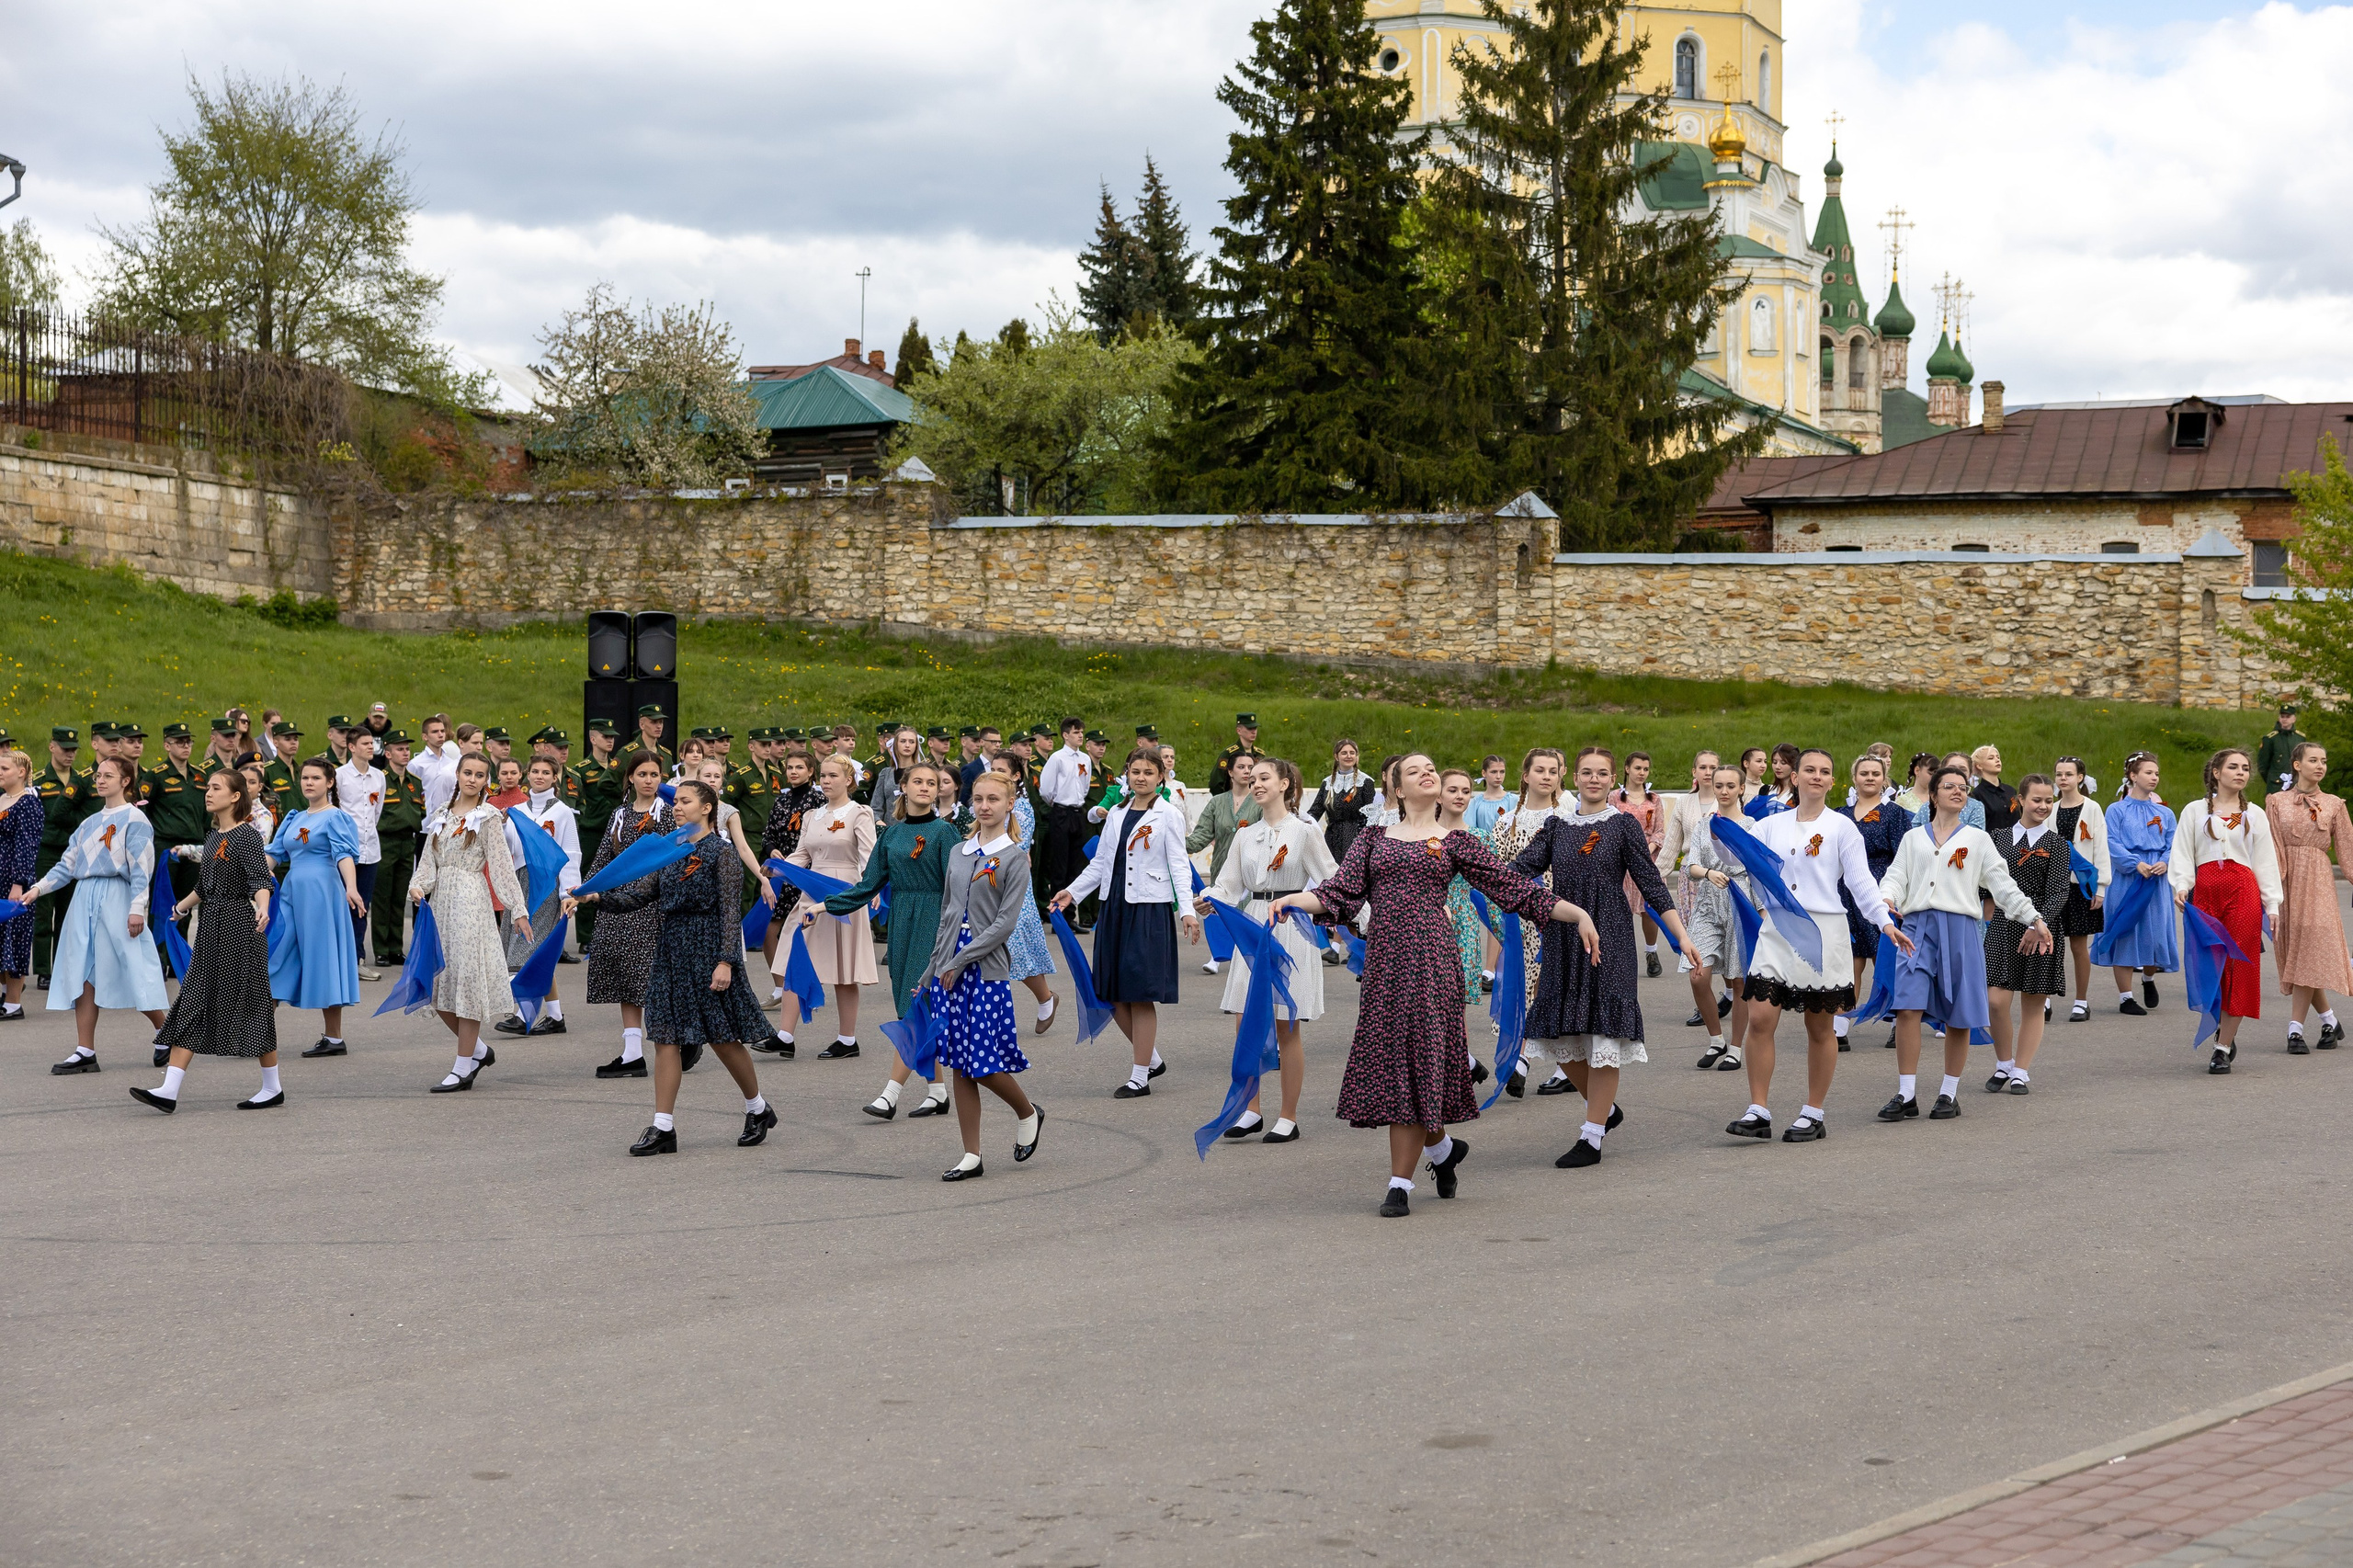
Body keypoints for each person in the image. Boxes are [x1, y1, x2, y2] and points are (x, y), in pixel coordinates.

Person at [1271, 754, 1599, 1218]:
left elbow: (1514, 888)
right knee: (1395, 1069)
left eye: (1432, 769)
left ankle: (1399, 1183)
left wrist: (1577, 912)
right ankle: (1443, 1151)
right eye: (1415, 771)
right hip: (1385, 967)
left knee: (1419, 1063)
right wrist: (1292, 901)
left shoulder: (1454, 841)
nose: (1429, 773)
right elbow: (1337, 892)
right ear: (1399, 789)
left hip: (1433, 965)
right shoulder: (1373, 838)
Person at [567, 779, 778, 1155]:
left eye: (685, 801)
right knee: (665, 1036)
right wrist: (596, 896)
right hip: (670, 949)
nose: (676, 806)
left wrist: (726, 961)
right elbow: (640, 894)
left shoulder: (721, 853)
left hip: (709, 948)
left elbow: (731, 912)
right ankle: (663, 1127)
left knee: (722, 1039)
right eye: (676, 801)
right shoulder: (671, 848)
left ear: (708, 808)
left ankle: (757, 1108)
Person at [1513, 747, 1690, 1166]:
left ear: (1614, 779)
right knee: (1559, 1036)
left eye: (1603, 774)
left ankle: (1591, 1137)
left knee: (1604, 1037)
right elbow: (1517, 871)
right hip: (1563, 937)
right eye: (1586, 772)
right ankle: (1606, 1110)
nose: (1594, 779)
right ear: (1571, 777)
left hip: (1610, 937)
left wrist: (1681, 936)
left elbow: (1651, 882)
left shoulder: (1623, 824)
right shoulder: (1556, 826)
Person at [1726, 748, 1907, 1144]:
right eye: (1809, 769)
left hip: (1825, 932)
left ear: (1831, 781)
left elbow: (1861, 883)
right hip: (1778, 929)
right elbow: (1734, 855)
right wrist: (1721, 825)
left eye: (1825, 771)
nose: (1816, 776)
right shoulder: (1771, 824)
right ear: (1795, 776)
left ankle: (1814, 1112)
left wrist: (1885, 922)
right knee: (1759, 1019)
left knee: (1819, 1026)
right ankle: (1758, 1109)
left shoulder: (1843, 829)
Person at [1874, 764, 2051, 1121]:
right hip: (1917, 929)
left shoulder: (1977, 839)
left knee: (1958, 1014)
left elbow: (2003, 886)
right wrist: (1886, 899)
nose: (1958, 791)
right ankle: (1906, 1093)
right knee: (1907, 1007)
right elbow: (1895, 877)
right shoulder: (1913, 838)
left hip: (1961, 930)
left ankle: (1948, 1093)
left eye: (1963, 787)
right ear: (1934, 794)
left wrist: (2034, 917)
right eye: (1949, 786)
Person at [913, 770, 1045, 1180]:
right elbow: (948, 915)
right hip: (950, 966)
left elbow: (1005, 923)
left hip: (984, 968)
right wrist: (932, 968)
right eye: (979, 799)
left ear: (1009, 805)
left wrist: (960, 960)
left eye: (993, 799)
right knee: (958, 1062)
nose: (985, 806)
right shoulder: (958, 851)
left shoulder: (1013, 856)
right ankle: (971, 1154)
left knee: (982, 1062)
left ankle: (1027, 1112)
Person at [1199, 757, 1336, 1143]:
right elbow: (1227, 885)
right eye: (1251, 777)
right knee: (1246, 1020)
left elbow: (1332, 881)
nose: (1255, 783)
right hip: (1253, 925)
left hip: (1290, 923)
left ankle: (1288, 1117)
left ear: (1285, 784)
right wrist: (1208, 899)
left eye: (1264, 778)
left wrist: (1363, 918)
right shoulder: (1245, 835)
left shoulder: (1306, 831)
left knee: (1285, 1024)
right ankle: (1251, 1109)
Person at [1051, 746, 1199, 1097]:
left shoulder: (1168, 815)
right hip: (1113, 906)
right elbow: (1101, 863)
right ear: (1127, 776)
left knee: (1140, 994)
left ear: (1161, 777)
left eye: (1149, 772)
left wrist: (1187, 910)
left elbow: (1179, 865)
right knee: (1110, 993)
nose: (1142, 778)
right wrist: (1072, 892)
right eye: (1136, 772)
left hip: (1148, 908)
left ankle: (1139, 1076)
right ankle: (1152, 1058)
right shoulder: (1115, 813)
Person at [133, 769, 280, 1112]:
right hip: (211, 927)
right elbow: (204, 885)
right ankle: (168, 1091)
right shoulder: (214, 836)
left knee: (253, 1004)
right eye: (208, 787)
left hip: (241, 929)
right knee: (194, 998)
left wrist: (262, 906)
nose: (208, 793)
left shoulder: (247, 836)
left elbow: (260, 879)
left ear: (234, 796)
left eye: (216, 788)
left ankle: (272, 1087)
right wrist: (180, 909)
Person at [830, 760, 962, 1119]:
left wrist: (954, 934)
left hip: (935, 921)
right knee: (912, 1006)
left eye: (931, 783)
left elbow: (958, 888)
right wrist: (825, 906)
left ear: (938, 791)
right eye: (917, 781)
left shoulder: (944, 833)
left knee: (915, 1007)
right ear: (903, 786)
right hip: (901, 922)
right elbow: (868, 884)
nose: (924, 787)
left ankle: (890, 1095)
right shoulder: (890, 834)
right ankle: (937, 1092)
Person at [35, 756, 171, 1074]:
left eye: (108, 775)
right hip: (84, 899)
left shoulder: (136, 820)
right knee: (82, 971)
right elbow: (67, 865)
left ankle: (166, 1033)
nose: (100, 780)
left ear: (126, 781)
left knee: (133, 965)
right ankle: (85, 1050)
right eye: (98, 775)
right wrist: (38, 889)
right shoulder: (88, 823)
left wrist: (137, 909)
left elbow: (141, 870)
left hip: (118, 897)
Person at [413, 752, 527, 1092]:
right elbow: (428, 862)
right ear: (458, 775)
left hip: (471, 900)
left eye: (479, 774)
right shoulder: (441, 815)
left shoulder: (489, 816)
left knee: (466, 979)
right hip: (441, 904)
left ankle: (463, 1066)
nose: (472, 779)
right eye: (467, 772)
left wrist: (516, 908)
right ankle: (477, 1051)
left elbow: (502, 865)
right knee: (438, 983)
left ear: (485, 781)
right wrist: (419, 887)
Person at [2171, 747, 2283, 1075]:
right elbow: (2182, 851)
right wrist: (2181, 885)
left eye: (2246, 768)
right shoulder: (2194, 810)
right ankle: (2223, 1026)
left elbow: (2265, 860)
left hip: (2243, 890)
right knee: (2212, 966)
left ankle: (2221, 1048)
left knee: (2241, 965)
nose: (2241, 772)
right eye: (2233, 767)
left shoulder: (2255, 814)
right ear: (2216, 772)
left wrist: (2272, 903)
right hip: (2205, 890)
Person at [779, 755, 880, 1060]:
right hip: (812, 890)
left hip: (844, 892)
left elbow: (869, 855)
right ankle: (784, 1035)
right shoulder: (812, 815)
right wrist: (777, 870)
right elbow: (801, 855)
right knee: (795, 955)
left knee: (843, 969)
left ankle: (847, 1040)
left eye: (833, 775)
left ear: (848, 780)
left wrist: (870, 888)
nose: (825, 780)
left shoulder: (859, 813)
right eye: (823, 775)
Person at [1982, 776, 2077, 1095]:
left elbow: (2059, 892)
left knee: (2034, 1002)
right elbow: (1985, 885)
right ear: (2020, 800)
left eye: (2049, 800)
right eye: (2037, 800)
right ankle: (2003, 1063)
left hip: (2042, 928)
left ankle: (2021, 1070)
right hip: (2003, 924)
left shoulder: (2058, 844)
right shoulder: (1996, 838)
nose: (2043, 806)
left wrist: (2038, 926)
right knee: (1996, 1001)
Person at [267, 756, 367, 1059]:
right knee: (276, 955)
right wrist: (253, 877)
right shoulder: (295, 817)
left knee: (324, 959)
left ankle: (334, 1038)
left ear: (330, 783)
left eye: (316, 778)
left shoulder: (335, 816)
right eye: (305, 778)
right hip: (292, 895)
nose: (309, 783)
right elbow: (274, 854)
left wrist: (351, 886)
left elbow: (344, 856)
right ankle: (258, 1033)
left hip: (323, 896)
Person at [582, 750, 672, 1078]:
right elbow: (604, 855)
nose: (649, 781)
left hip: (653, 903)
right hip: (618, 903)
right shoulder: (619, 814)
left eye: (655, 775)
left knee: (652, 977)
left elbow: (673, 857)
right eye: (643, 775)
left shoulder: (668, 813)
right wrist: (585, 891)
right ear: (631, 778)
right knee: (625, 976)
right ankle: (632, 1053)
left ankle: (679, 1038)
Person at [2266, 741, 2353, 1053]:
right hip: (2286, 884)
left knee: (2310, 951)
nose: (2320, 766)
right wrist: (2269, 889)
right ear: (2297, 764)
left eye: (2324, 761)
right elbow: (2272, 847)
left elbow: (2348, 850)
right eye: (2313, 760)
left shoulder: (2334, 804)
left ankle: (2295, 1030)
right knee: (2298, 955)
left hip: (2319, 883)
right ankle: (2329, 1020)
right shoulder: (2275, 802)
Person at [493, 754, 582, 1039]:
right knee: (538, 952)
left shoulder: (563, 812)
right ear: (526, 775)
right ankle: (555, 1016)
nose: (540, 776)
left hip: (546, 884)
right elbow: (509, 847)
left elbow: (570, 853)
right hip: (519, 883)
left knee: (528, 948)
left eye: (546, 772)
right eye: (535, 771)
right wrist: (505, 825)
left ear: (555, 777)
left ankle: (523, 1016)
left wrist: (569, 892)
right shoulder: (518, 809)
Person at [1680, 766, 1753, 1072]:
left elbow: (1758, 872)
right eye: (1719, 785)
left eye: (1730, 786)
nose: (1723, 791)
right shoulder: (1703, 825)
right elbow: (1689, 865)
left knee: (1739, 981)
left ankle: (1735, 1048)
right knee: (1698, 974)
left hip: (1741, 901)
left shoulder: (1751, 826)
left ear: (1740, 790)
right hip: (1708, 903)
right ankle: (1716, 1040)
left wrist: (1761, 913)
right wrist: (1709, 873)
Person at [2094, 751, 2177, 1017]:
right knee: (2125, 929)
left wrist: (2165, 861)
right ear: (2133, 776)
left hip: (2156, 878)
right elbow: (2112, 842)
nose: (2154, 777)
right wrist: (2133, 863)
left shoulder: (2164, 812)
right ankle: (2125, 997)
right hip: (2128, 877)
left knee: (2154, 933)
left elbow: (2173, 843)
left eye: (2156, 773)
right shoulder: (2116, 810)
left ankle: (2149, 978)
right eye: (2148, 772)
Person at [1837, 753, 1909, 1050]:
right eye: (1863, 773)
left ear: (1884, 779)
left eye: (1875, 773)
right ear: (1854, 778)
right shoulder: (1839, 815)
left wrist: (1899, 897)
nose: (1869, 777)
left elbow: (1904, 859)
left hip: (1881, 891)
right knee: (1849, 962)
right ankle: (1839, 1028)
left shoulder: (1894, 814)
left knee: (1886, 960)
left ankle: (1897, 1022)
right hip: (1844, 894)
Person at [986, 755, 1062, 1028]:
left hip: (1011, 883)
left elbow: (1016, 845)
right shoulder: (981, 801)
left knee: (1016, 947)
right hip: (984, 882)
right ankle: (992, 1018)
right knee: (985, 948)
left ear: (1017, 776)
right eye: (992, 769)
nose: (995, 773)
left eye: (1002, 770)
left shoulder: (1022, 808)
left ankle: (1045, 998)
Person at [1654, 750, 1727, 1028]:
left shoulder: (1729, 799)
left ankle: (1730, 993)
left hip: (1724, 879)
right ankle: (1702, 1002)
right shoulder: (1685, 804)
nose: (1708, 772)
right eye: (1703, 767)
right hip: (1691, 881)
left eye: (1714, 767)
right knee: (1696, 945)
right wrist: (1656, 877)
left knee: (1726, 942)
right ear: (1693, 772)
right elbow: (1672, 843)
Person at [142, 722, 210, 964]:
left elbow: (205, 813)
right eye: (179, 741)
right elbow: (144, 811)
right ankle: (157, 959)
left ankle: (177, 958)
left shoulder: (200, 775)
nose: (185, 746)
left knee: (186, 903)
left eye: (188, 741)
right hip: (166, 847)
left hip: (193, 848)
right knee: (163, 904)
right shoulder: (156, 775)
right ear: (167, 745)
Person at [2051, 756, 2111, 1023]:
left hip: (2082, 885)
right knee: (2048, 944)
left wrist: (2101, 888)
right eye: (2059, 774)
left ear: (2080, 777)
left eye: (2068, 774)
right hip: (2053, 886)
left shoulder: (2092, 808)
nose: (2063, 778)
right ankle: (2044, 999)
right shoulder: (2050, 809)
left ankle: (2081, 1001)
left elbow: (2101, 848)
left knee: (2078, 946)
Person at [31, 726, 91, 992]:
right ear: (52, 747)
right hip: (47, 850)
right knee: (44, 912)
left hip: (75, 851)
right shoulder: (39, 780)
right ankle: (44, 970)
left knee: (68, 915)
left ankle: (64, 967)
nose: (70, 754)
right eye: (65, 748)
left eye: (74, 749)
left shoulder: (84, 780)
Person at [1186, 767, 1262, 973]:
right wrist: (1177, 846)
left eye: (1250, 768)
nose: (1246, 771)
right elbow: (1201, 835)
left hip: (1252, 869)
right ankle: (1217, 955)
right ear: (1230, 772)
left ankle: (1246, 961)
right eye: (1241, 767)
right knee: (1218, 909)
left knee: (1246, 914)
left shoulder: (1259, 802)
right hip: (1222, 866)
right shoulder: (1217, 802)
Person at [1609, 751, 1667, 977]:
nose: (1641, 773)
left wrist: (1648, 850)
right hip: (1619, 859)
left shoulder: (1654, 799)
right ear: (1627, 769)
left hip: (1646, 859)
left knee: (1649, 909)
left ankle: (1651, 952)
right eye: (1637, 768)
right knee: (1619, 908)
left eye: (1645, 769)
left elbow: (1660, 831)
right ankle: (1620, 954)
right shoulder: (1614, 797)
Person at [335, 729, 387, 981]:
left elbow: (376, 813)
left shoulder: (379, 777)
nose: (371, 747)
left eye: (372, 743)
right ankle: (339, 961)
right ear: (352, 747)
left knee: (362, 906)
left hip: (370, 851)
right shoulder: (340, 776)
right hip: (346, 852)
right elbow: (335, 812)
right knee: (342, 904)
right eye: (365, 743)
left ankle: (357, 959)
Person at [372, 731, 425, 969]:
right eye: (400, 749)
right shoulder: (380, 779)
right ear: (388, 752)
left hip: (407, 841)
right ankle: (381, 949)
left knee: (399, 897)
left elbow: (420, 812)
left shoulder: (415, 782)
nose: (405, 753)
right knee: (382, 897)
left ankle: (396, 948)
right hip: (385, 841)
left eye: (407, 749)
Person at [0, 747, 42, 1019]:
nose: (0, 773)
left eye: (4, 769)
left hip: (13, 882)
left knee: (14, 938)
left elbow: (26, 846)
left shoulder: (28, 803)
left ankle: (13, 1002)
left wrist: (19, 883)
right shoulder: (1, 798)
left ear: (22, 772)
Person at [1311, 739, 1379, 866]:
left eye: (1352, 753)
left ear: (1357, 756)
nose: (1349, 756)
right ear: (1336, 756)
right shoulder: (1327, 783)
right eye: (1344, 753)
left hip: (1356, 838)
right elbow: (1315, 811)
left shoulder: (1366, 782)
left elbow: (1371, 815)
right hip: (1331, 838)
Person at [2254, 703, 2307, 798]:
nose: (2285, 719)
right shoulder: (2270, 738)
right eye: (2282, 716)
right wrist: (2271, 779)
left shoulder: (2300, 738)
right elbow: (2263, 765)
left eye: (2288, 716)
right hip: (2276, 785)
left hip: (2296, 783)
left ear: (2294, 718)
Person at [1969, 744, 2019, 834]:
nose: (1997, 760)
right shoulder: (1976, 795)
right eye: (1991, 758)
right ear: (1979, 766)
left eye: (1998, 757)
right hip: (1992, 844)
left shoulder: (2011, 790)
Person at [1210, 713, 1261, 797]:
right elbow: (1216, 782)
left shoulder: (1259, 754)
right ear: (1239, 731)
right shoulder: (1229, 754)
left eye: (1255, 728)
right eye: (1249, 728)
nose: (1253, 731)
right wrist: (1224, 801)